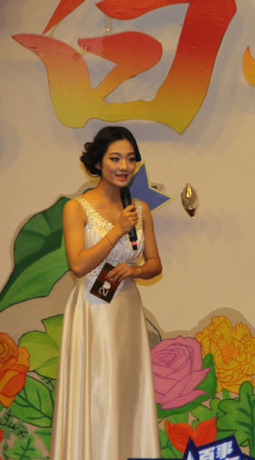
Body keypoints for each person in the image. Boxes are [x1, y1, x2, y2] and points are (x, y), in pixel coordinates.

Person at [51, 126, 162, 460]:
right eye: (115, 158)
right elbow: (78, 265)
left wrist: (136, 271)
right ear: (98, 162)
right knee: (97, 389)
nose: (124, 166)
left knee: (126, 391)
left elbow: (154, 263)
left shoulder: (140, 209)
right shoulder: (77, 208)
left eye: (130, 159)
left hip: (126, 308)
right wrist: (117, 230)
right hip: (92, 309)